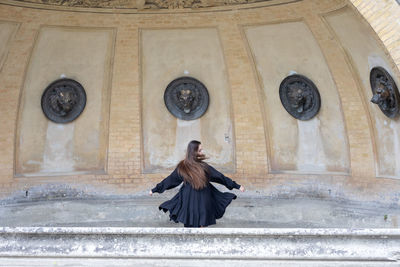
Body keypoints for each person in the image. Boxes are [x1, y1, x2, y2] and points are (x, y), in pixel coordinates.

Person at [149, 140, 245, 227]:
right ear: (193, 152)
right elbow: (170, 180)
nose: (202, 153)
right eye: (200, 150)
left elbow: (219, 177)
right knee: (196, 223)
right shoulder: (185, 167)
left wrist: (236, 185)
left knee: (197, 223)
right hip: (192, 198)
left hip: (200, 197)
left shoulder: (200, 167)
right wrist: (156, 189)